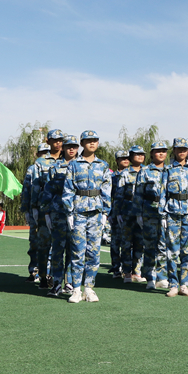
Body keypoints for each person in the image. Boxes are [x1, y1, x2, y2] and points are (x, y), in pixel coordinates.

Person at [62, 130, 112, 303]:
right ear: (82, 144)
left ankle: (89, 288)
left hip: (96, 212)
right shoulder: (74, 164)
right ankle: (76, 289)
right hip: (79, 212)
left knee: (94, 252)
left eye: (95, 140)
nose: (92, 143)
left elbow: (107, 189)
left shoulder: (103, 165)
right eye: (88, 140)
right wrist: (69, 211)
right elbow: (68, 189)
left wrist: (105, 212)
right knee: (77, 251)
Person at [161, 138, 188, 297]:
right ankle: (173, 284)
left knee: (187, 250)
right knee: (172, 250)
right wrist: (163, 215)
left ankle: (184, 284)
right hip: (172, 212)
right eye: (179, 149)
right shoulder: (168, 169)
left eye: (184, 149)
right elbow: (162, 193)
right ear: (174, 150)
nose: (181, 152)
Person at [43, 135, 80, 297]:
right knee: (57, 249)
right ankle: (57, 283)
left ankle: (70, 282)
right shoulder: (55, 167)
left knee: (74, 250)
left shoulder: (82, 166)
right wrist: (46, 212)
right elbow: (48, 191)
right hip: (58, 213)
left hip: (77, 213)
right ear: (63, 148)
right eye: (68, 146)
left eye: (74, 146)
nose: (71, 149)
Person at [133, 141, 170, 291]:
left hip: (166, 212)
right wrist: (138, 213)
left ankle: (162, 276)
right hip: (149, 211)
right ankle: (150, 277)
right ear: (152, 153)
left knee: (163, 245)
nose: (161, 153)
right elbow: (138, 193)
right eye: (157, 151)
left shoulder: (170, 170)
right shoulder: (145, 171)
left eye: (163, 151)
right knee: (149, 246)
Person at [33, 130, 64, 289]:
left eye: (60, 140)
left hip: (63, 209)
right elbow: (35, 186)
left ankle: (56, 277)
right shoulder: (41, 162)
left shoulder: (68, 160)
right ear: (48, 141)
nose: (58, 143)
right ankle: (43, 276)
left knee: (60, 246)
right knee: (44, 245)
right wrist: (34, 207)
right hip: (45, 208)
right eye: (54, 140)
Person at [22, 142, 50, 282]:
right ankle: (33, 270)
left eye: (47, 152)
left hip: (49, 209)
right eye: (43, 153)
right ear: (38, 154)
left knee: (49, 242)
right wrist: (27, 209)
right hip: (36, 209)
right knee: (34, 241)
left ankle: (47, 272)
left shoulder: (54, 166)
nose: (45, 155)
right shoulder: (32, 169)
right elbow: (26, 189)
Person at [119, 145, 147, 284]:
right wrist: (117, 212)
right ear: (131, 157)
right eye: (137, 154)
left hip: (143, 211)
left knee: (140, 242)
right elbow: (119, 194)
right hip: (128, 211)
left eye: (142, 154)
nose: (140, 157)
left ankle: (137, 271)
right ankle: (127, 272)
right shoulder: (125, 173)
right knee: (126, 243)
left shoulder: (147, 171)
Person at [108, 150, 130, 279]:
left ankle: (129, 269)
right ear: (117, 160)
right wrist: (111, 213)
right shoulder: (112, 176)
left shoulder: (134, 174)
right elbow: (109, 196)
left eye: (127, 158)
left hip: (129, 212)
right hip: (116, 212)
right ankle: (116, 268)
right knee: (115, 242)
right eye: (122, 158)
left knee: (129, 242)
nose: (126, 160)